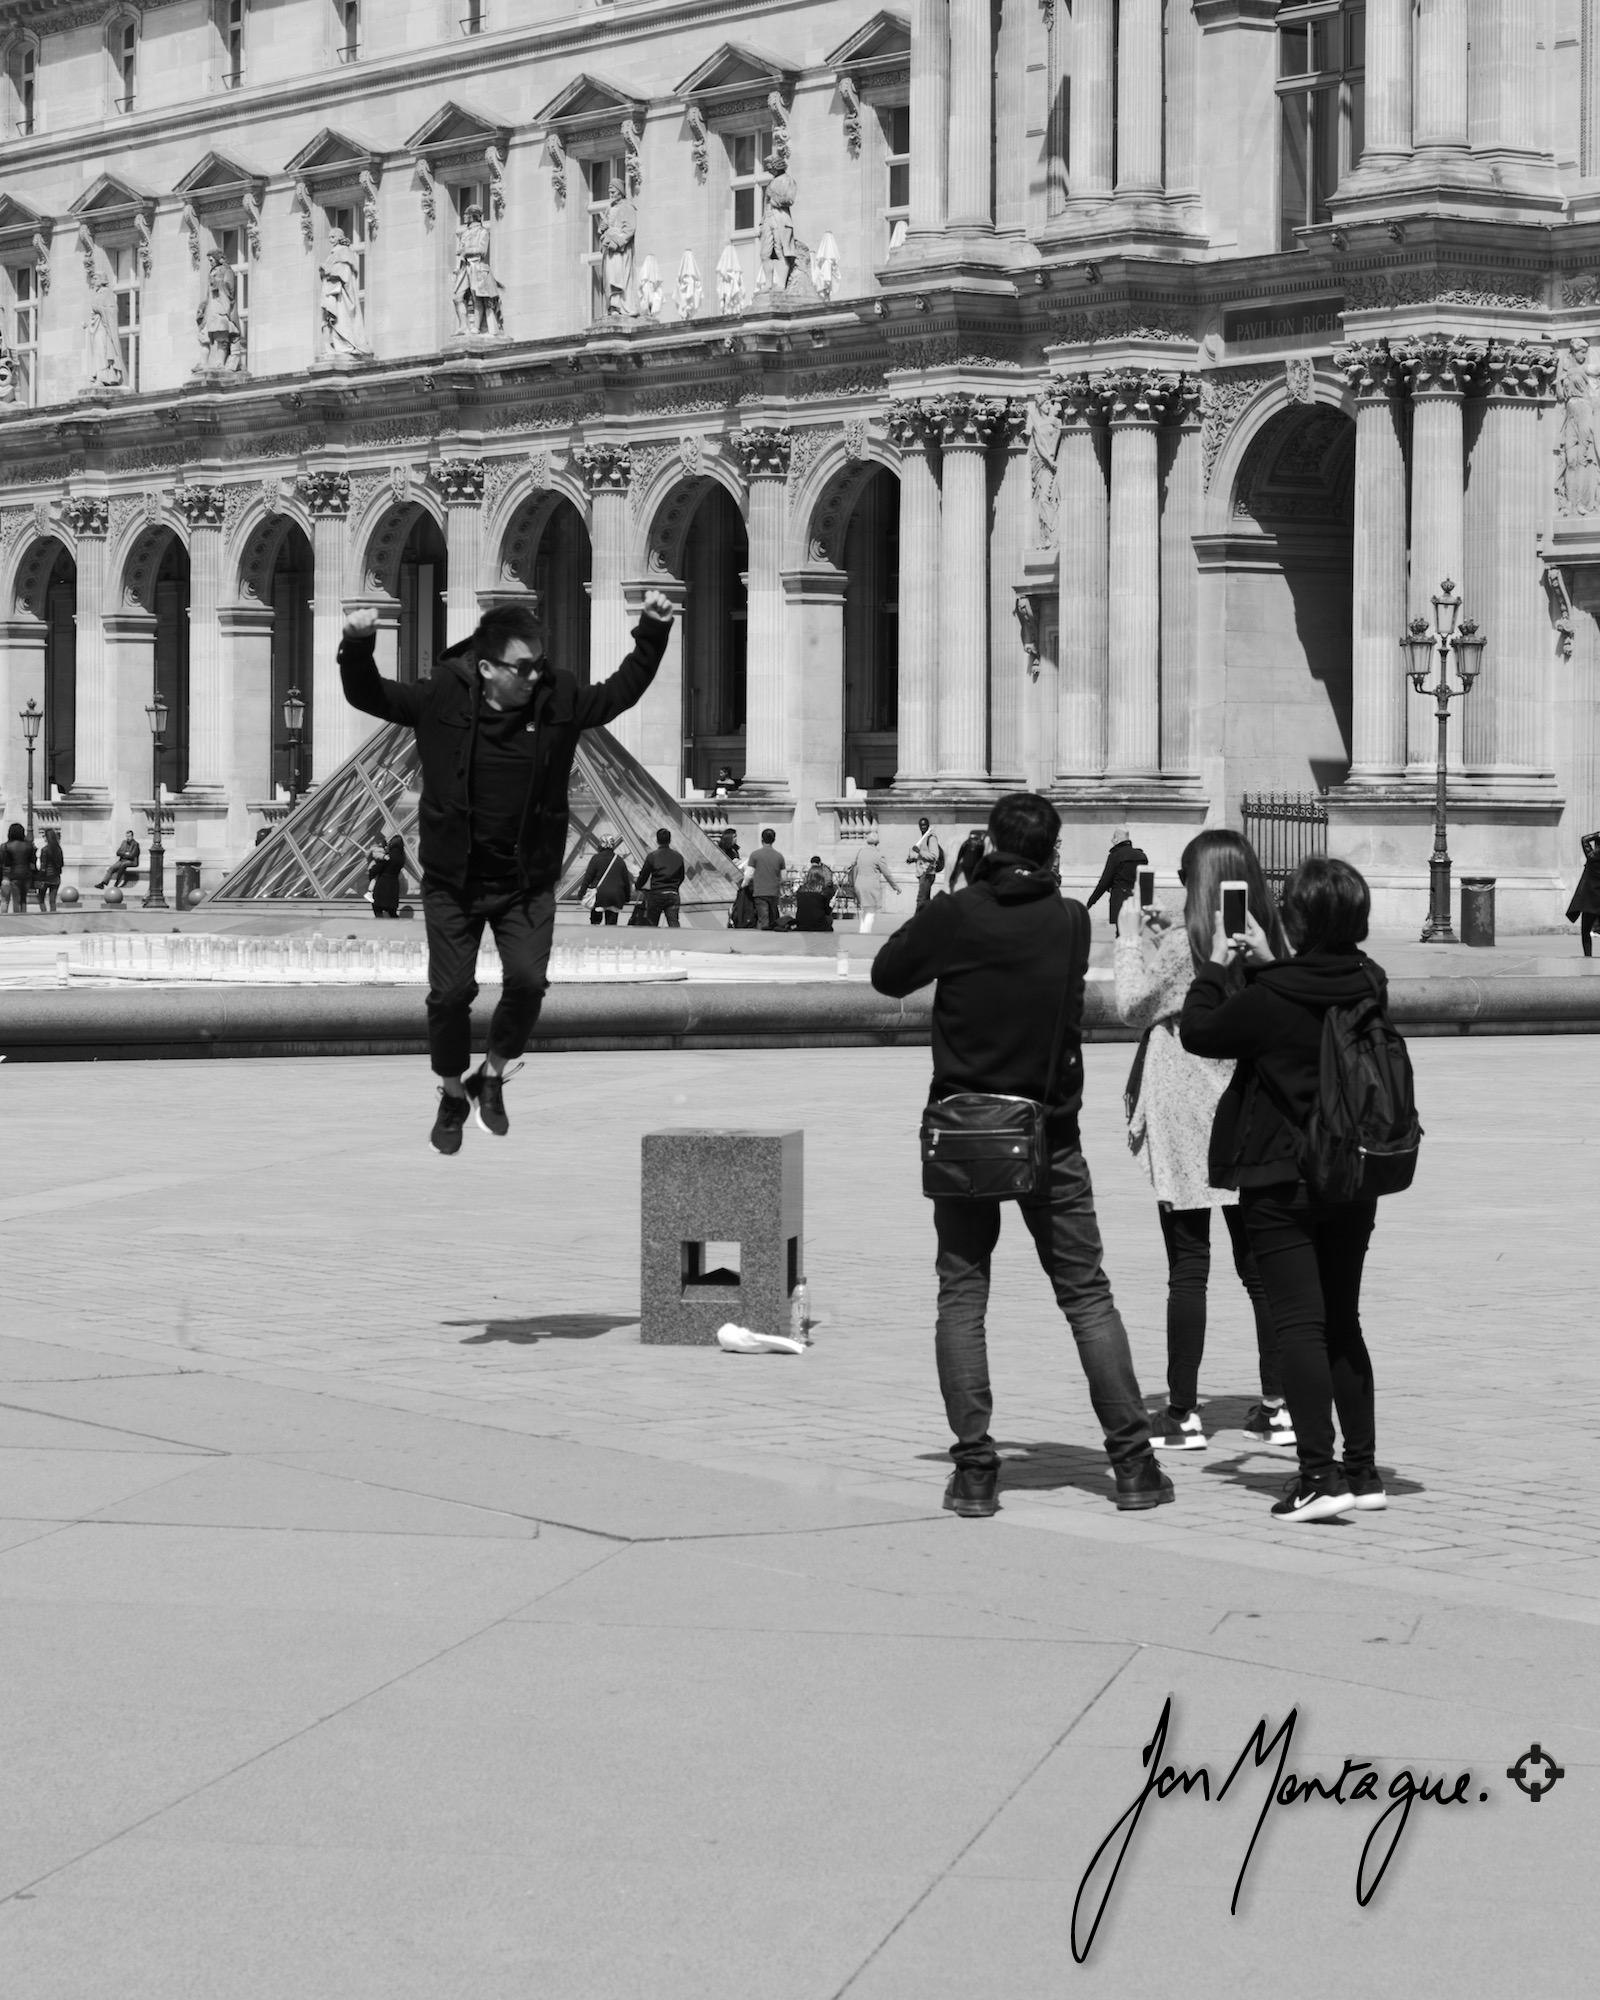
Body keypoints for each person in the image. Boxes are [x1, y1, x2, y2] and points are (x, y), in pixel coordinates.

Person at [871, 792, 1172, 1520]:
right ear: (1054, 852)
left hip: (965, 1126)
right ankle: (1131, 1463)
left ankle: (976, 1470)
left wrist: (959, 896)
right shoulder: (1069, 921)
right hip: (1049, 1130)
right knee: (1085, 1293)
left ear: (990, 843)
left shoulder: (958, 914)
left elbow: (888, 975)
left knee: (962, 1291)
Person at [339, 590, 675, 1154]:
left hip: (526, 881)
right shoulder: (442, 692)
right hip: (454, 881)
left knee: (526, 981)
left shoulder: (557, 695)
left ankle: (490, 1075)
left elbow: (620, 692)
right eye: (524, 666)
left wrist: (653, 632)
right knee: (449, 996)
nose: (535, 675)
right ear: (487, 668)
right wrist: (357, 645)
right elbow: (368, 693)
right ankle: (451, 1092)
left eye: (540, 663)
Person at [1180, 856, 1391, 1524]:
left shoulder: (1270, 997)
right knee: (1343, 1320)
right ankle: (1361, 1469)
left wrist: (1216, 964)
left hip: (1282, 1173)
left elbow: (1201, 1031)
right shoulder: (1369, 981)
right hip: (1351, 1175)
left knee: (1298, 1321)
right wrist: (1274, 957)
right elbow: (1310, 979)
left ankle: (1316, 1475)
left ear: (1296, 919)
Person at [1115, 830, 1289, 1453]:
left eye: (1188, 881)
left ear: (1200, 883)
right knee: (1258, 1269)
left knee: (1188, 1267)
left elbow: (1134, 1004)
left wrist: (1132, 937)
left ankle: (1183, 1414)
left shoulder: (1187, 951)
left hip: (1185, 1115)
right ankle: (1279, 1405)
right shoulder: (1268, 943)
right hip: (1247, 1114)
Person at [1086, 827, 1149, 934]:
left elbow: (1104, 882)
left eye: (1113, 838)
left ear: (1117, 838)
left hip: (1120, 901)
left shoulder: (1115, 856)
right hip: (1137, 900)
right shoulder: (1141, 856)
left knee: (1121, 935)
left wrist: (1090, 902)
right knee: (1135, 934)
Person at [850, 826, 900, 933]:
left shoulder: (860, 852)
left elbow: (854, 867)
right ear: (877, 843)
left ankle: (862, 931)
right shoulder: (879, 856)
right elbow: (887, 874)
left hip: (859, 883)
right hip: (871, 886)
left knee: (865, 910)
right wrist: (895, 887)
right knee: (871, 912)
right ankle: (865, 933)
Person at [635, 827, 685, 927]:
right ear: (670, 840)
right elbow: (681, 876)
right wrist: (674, 886)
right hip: (673, 893)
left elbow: (644, 875)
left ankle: (653, 942)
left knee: (652, 924)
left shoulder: (652, 856)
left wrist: (637, 886)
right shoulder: (678, 857)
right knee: (673, 922)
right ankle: (678, 941)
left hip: (657, 894)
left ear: (657, 840)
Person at [578, 832, 631, 925]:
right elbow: (626, 881)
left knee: (595, 922)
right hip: (615, 896)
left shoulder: (596, 859)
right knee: (611, 925)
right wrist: (627, 897)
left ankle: (597, 937)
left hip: (600, 896)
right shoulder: (619, 860)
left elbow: (587, 878)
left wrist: (581, 894)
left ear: (600, 845)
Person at [1566, 830, 1600, 957]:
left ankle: (1588, 955)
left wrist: (1597, 834)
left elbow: (1584, 839)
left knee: (1586, 930)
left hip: (1590, 902)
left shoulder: (1593, 857)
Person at [745, 827, 786, 931]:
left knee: (763, 918)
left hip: (760, 891)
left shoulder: (755, 855)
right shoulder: (779, 856)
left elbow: (748, 874)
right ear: (774, 840)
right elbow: (784, 877)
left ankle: (763, 940)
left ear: (761, 839)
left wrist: (744, 885)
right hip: (773, 891)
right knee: (773, 917)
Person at [906, 817, 945, 911]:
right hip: (923, 872)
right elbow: (924, 857)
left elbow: (934, 856)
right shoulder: (923, 838)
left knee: (921, 900)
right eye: (921, 825)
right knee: (926, 900)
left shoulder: (931, 838)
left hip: (927, 872)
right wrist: (913, 859)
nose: (923, 827)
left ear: (928, 826)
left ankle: (917, 921)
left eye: (924, 825)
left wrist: (919, 851)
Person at [368, 834, 406, 918]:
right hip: (394, 884)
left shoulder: (388, 856)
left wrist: (371, 872)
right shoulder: (402, 857)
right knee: (392, 911)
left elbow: (377, 868)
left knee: (377, 908)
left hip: (382, 883)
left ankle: (380, 927)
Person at [794, 855, 834, 933]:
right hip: (819, 925)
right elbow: (827, 911)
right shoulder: (823, 890)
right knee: (829, 919)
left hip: (801, 924)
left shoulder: (801, 889)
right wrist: (832, 905)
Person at [1, 823, 32, 914]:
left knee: (10, 900)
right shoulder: (28, 846)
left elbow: (5, 862)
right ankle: (23, 916)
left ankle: (9, 919)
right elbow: (32, 861)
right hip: (26, 874)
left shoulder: (6, 846)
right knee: (23, 899)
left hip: (11, 875)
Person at [946, 829, 987, 896]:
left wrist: (954, 874)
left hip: (968, 867)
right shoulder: (980, 844)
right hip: (970, 867)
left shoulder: (969, 843)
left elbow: (959, 858)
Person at [36, 827, 64, 914]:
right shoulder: (58, 849)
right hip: (55, 877)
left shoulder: (45, 849)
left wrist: (39, 877)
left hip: (45, 877)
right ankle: (53, 915)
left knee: (41, 899)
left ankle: (44, 914)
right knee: (52, 900)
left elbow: (43, 866)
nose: (44, 838)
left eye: (44, 836)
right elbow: (61, 864)